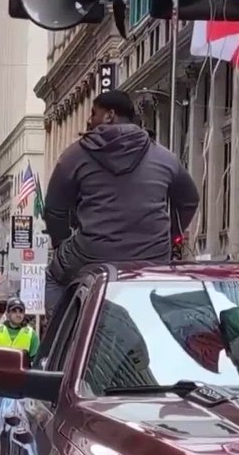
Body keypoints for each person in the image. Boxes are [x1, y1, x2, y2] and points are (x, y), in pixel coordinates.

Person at [42, 89, 200, 314]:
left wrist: (60, 244)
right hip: (152, 255)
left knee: (53, 277)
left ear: (109, 116)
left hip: (92, 253)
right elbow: (189, 201)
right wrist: (168, 235)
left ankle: (62, 340)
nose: (89, 120)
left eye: (94, 113)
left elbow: (54, 209)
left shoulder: (74, 155)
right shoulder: (164, 157)